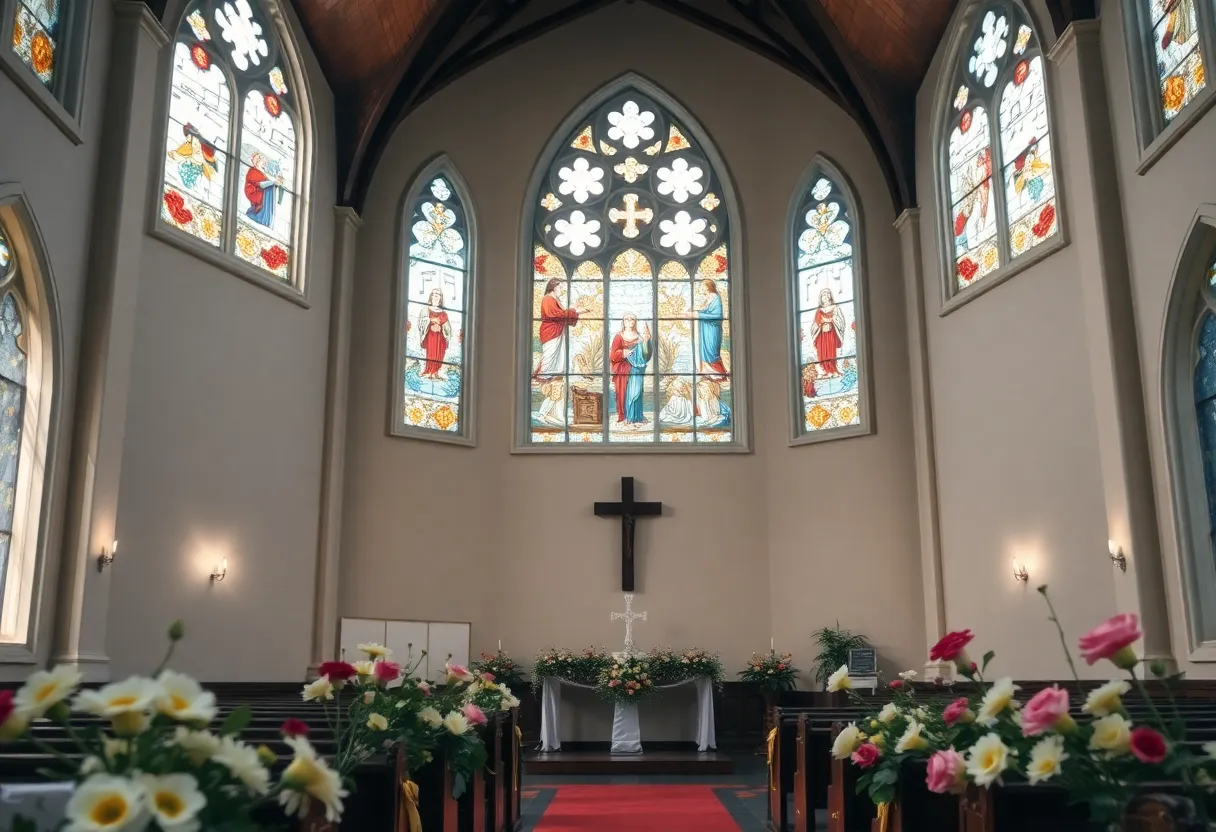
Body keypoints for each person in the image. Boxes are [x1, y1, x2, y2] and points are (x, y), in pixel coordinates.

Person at [534, 279, 582, 377]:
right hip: (551, 332)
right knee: (549, 355)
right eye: (560, 287)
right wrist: (572, 309)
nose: (561, 290)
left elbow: (562, 316)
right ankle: (544, 375)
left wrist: (576, 312)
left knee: (556, 356)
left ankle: (553, 375)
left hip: (556, 331)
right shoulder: (548, 299)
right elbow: (555, 314)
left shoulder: (555, 300)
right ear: (554, 287)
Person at [610, 315, 652, 424]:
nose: (629, 321)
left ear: (635, 322)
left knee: (637, 392)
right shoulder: (619, 337)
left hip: (636, 370)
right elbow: (613, 355)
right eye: (627, 319)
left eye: (632, 319)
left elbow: (646, 356)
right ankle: (625, 416)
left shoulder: (639, 337)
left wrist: (646, 342)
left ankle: (636, 416)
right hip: (622, 371)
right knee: (623, 393)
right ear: (623, 322)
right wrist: (623, 353)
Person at [687, 279, 727, 378]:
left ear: (708, 287)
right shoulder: (709, 298)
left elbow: (717, 315)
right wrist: (696, 312)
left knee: (712, 353)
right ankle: (710, 375)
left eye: (702, 286)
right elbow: (706, 312)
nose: (700, 288)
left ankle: (720, 375)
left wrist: (696, 314)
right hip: (706, 330)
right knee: (706, 353)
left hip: (712, 331)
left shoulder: (716, 298)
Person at [416, 288, 451, 379]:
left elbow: (448, 328)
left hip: (440, 338)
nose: (435, 296)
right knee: (431, 353)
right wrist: (430, 321)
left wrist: (441, 327)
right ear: (431, 296)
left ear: (440, 298)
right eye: (434, 294)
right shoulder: (426, 310)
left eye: (438, 294)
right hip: (431, 336)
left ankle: (436, 372)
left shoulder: (444, 313)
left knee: (439, 355)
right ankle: (428, 371)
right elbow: (421, 322)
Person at [244, 151, 284, 228]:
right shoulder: (253, 171)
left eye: (264, 162)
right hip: (254, 192)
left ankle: (266, 217)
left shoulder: (262, 172)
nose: (264, 163)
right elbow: (261, 184)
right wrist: (273, 182)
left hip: (259, 192)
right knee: (269, 188)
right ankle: (263, 217)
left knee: (270, 188)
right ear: (257, 162)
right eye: (262, 161)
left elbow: (266, 183)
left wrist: (275, 183)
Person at [813, 287, 846, 377]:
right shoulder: (818, 310)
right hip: (821, 335)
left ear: (830, 296)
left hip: (831, 333)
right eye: (823, 295)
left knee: (831, 351)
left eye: (827, 295)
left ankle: (832, 369)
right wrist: (821, 324)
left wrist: (831, 321)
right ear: (821, 298)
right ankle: (824, 370)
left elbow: (840, 320)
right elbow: (816, 323)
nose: (825, 297)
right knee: (822, 351)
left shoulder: (835, 308)